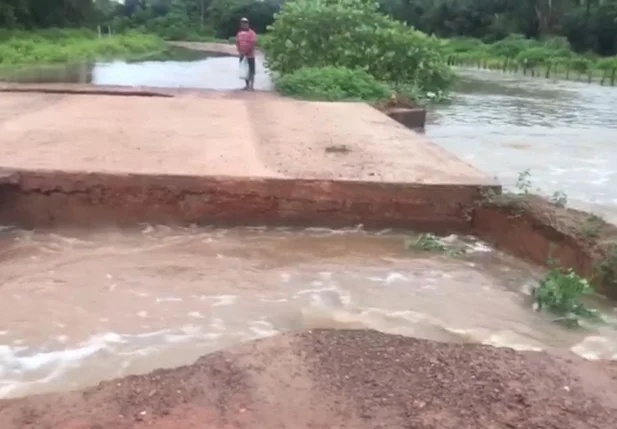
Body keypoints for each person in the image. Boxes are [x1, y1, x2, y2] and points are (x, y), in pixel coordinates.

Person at [236, 17, 257, 90]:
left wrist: (246, 52)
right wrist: (240, 51)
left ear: (248, 24)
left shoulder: (252, 33)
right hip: (242, 54)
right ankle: (247, 85)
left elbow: (252, 44)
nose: (243, 24)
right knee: (244, 70)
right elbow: (238, 43)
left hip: (250, 55)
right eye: (242, 23)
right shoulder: (239, 33)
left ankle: (251, 86)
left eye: (245, 23)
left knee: (251, 70)